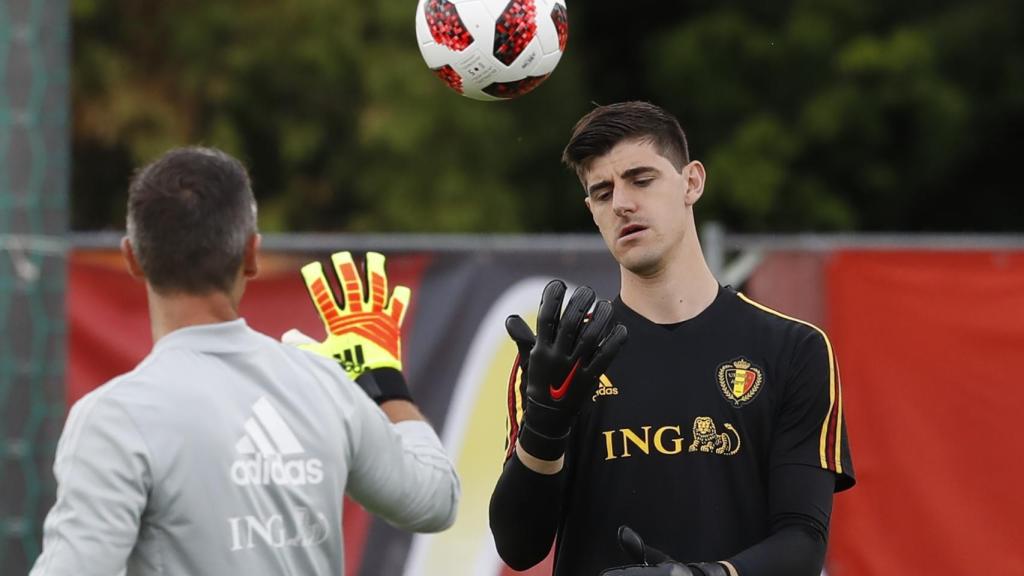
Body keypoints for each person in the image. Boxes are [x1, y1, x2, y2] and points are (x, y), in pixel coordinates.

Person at [30, 147, 459, 576]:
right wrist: (383, 380)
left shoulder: (113, 420)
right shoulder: (325, 385)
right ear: (252, 255)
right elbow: (436, 501)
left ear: (132, 258)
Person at [489, 102, 855, 576]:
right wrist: (545, 427)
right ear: (592, 212)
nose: (621, 202)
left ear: (692, 182)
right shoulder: (562, 358)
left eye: (641, 180)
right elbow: (519, 547)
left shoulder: (793, 349)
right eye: (602, 192)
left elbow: (803, 544)